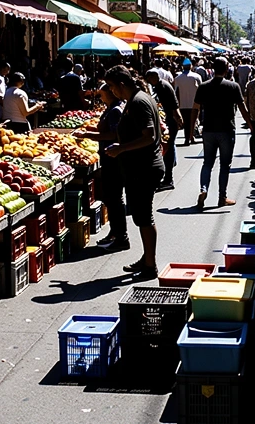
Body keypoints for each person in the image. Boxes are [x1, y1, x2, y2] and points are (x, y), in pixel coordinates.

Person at [102, 65, 165, 277]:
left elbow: (149, 135)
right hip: (141, 167)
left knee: (144, 216)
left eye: (111, 86)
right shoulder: (138, 99)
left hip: (144, 168)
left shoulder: (138, 101)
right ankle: (147, 259)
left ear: (121, 84)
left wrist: (122, 149)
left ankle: (150, 265)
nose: (111, 91)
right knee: (141, 216)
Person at [192, 57, 250, 209]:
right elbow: (242, 108)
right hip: (226, 130)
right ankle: (221, 197)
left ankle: (203, 189)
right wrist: (250, 124)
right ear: (226, 69)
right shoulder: (233, 86)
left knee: (207, 163)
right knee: (225, 165)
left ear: (212, 68)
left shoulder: (203, 87)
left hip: (208, 131)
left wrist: (191, 129)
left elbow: (195, 108)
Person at [77, 82, 128, 252]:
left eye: (101, 94)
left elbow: (115, 134)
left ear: (110, 93)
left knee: (114, 197)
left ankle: (121, 236)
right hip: (109, 157)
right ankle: (115, 233)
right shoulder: (112, 107)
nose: (100, 96)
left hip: (113, 158)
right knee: (112, 197)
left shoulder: (115, 110)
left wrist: (89, 135)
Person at [146, 70, 181, 191]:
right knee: (168, 147)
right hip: (167, 120)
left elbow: (174, 105)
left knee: (168, 148)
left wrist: (178, 118)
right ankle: (167, 176)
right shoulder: (159, 86)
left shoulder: (163, 87)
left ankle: (168, 179)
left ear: (153, 77)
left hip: (169, 121)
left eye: (149, 78)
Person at [173, 59, 201, 146]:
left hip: (182, 104)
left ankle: (187, 138)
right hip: (194, 103)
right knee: (193, 121)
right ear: (191, 66)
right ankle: (191, 137)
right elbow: (201, 89)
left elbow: (175, 91)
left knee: (186, 122)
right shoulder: (197, 76)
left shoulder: (177, 78)